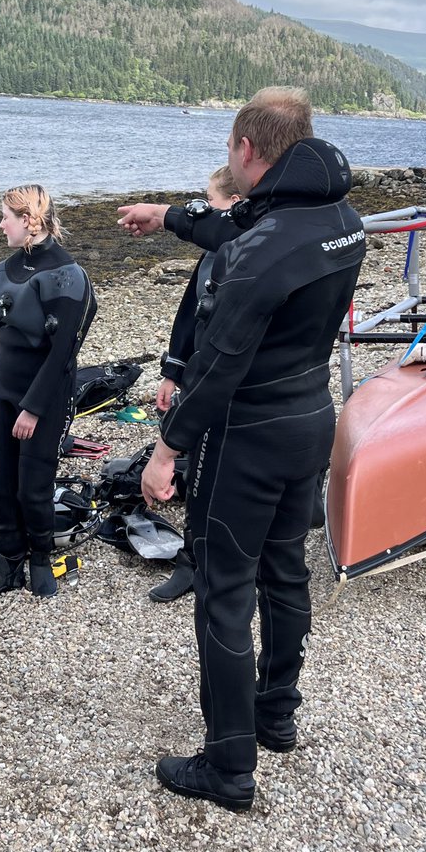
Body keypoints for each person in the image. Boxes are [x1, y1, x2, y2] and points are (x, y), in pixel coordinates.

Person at [122, 87, 365, 812]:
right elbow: (239, 226)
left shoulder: (265, 248)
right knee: (284, 571)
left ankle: (228, 768)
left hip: (250, 436)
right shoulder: (336, 217)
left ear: (247, 151)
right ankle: (275, 712)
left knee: (225, 595)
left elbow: (218, 363)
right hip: (310, 419)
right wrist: (165, 215)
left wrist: (166, 450)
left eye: (230, 149)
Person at [0, 185, 96, 598]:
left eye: (6, 216)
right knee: (0, 481)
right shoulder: (6, 268)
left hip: (44, 395)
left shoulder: (67, 275)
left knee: (32, 485)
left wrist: (34, 408)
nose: (1, 224)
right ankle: (7, 564)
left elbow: (62, 355)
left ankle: (40, 558)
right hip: (3, 389)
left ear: (29, 221)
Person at [150, 165, 239, 603]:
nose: (202, 213)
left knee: (229, 478)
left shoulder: (255, 259)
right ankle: (191, 561)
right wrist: (171, 372)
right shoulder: (209, 256)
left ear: (235, 207)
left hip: (233, 388)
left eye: (210, 204)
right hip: (198, 378)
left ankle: (229, 563)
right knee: (198, 475)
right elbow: (188, 316)